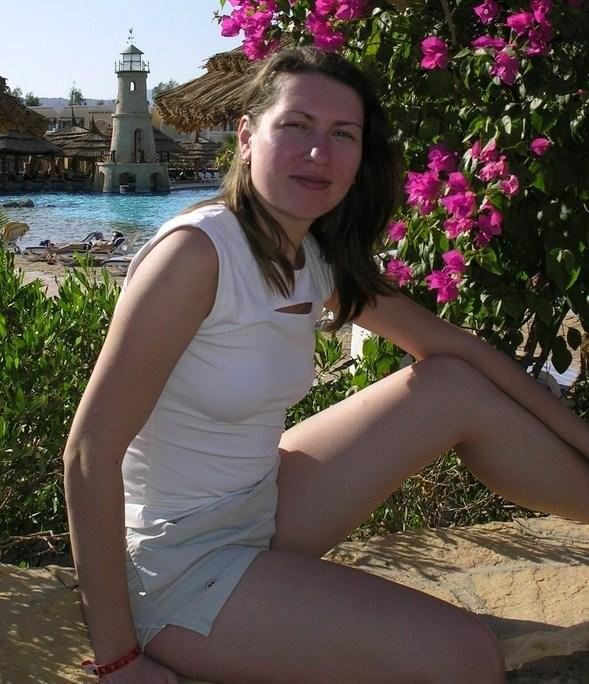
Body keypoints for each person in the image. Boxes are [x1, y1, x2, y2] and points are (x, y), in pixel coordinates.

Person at [63, 46, 589, 683]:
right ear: (246, 137)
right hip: (177, 563)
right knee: (468, 657)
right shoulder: (195, 257)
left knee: (452, 385)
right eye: (297, 125)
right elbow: (89, 453)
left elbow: (456, 347)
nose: (319, 152)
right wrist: (119, 660)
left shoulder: (308, 255)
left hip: (258, 503)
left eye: (343, 134)